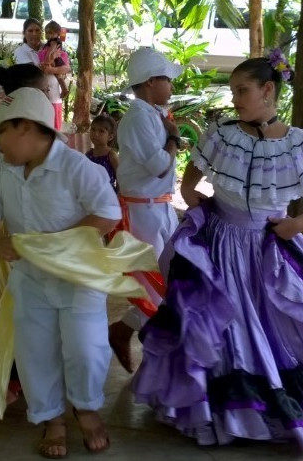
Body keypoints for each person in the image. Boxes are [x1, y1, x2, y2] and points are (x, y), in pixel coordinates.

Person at [132, 56, 303, 454]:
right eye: (232, 92)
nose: (235, 99)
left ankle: (268, 406)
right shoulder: (221, 135)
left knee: (276, 325)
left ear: (268, 91)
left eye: (242, 91)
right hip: (220, 245)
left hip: (269, 247)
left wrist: (298, 223)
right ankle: (220, 412)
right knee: (220, 326)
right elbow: (190, 180)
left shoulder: (301, 144)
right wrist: (201, 207)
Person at [0, 88, 121, 458]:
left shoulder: (77, 167)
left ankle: (86, 408)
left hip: (78, 278)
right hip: (29, 280)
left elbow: (107, 213)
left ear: (25, 128)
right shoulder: (4, 172)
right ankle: (51, 418)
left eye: (2, 132)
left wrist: (56, 244)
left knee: (86, 349)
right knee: (34, 351)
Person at [107, 47, 182, 373]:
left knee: (169, 281)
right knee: (154, 286)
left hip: (158, 208)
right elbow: (158, 167)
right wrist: (174, 141)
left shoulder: (150, 114)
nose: (171, 86)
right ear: (151, 81)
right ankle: (134, 340)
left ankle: (126, 333)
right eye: (167, 79)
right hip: (144, 212)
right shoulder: (139, 117)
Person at [86, 114, 118, 191]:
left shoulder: (111, 155)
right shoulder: (88, 154)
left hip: (106, 196)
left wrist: (117, 195)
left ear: (110, 136)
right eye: (93, 129)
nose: (95, 134)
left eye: (101, 131)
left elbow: (120, 178)